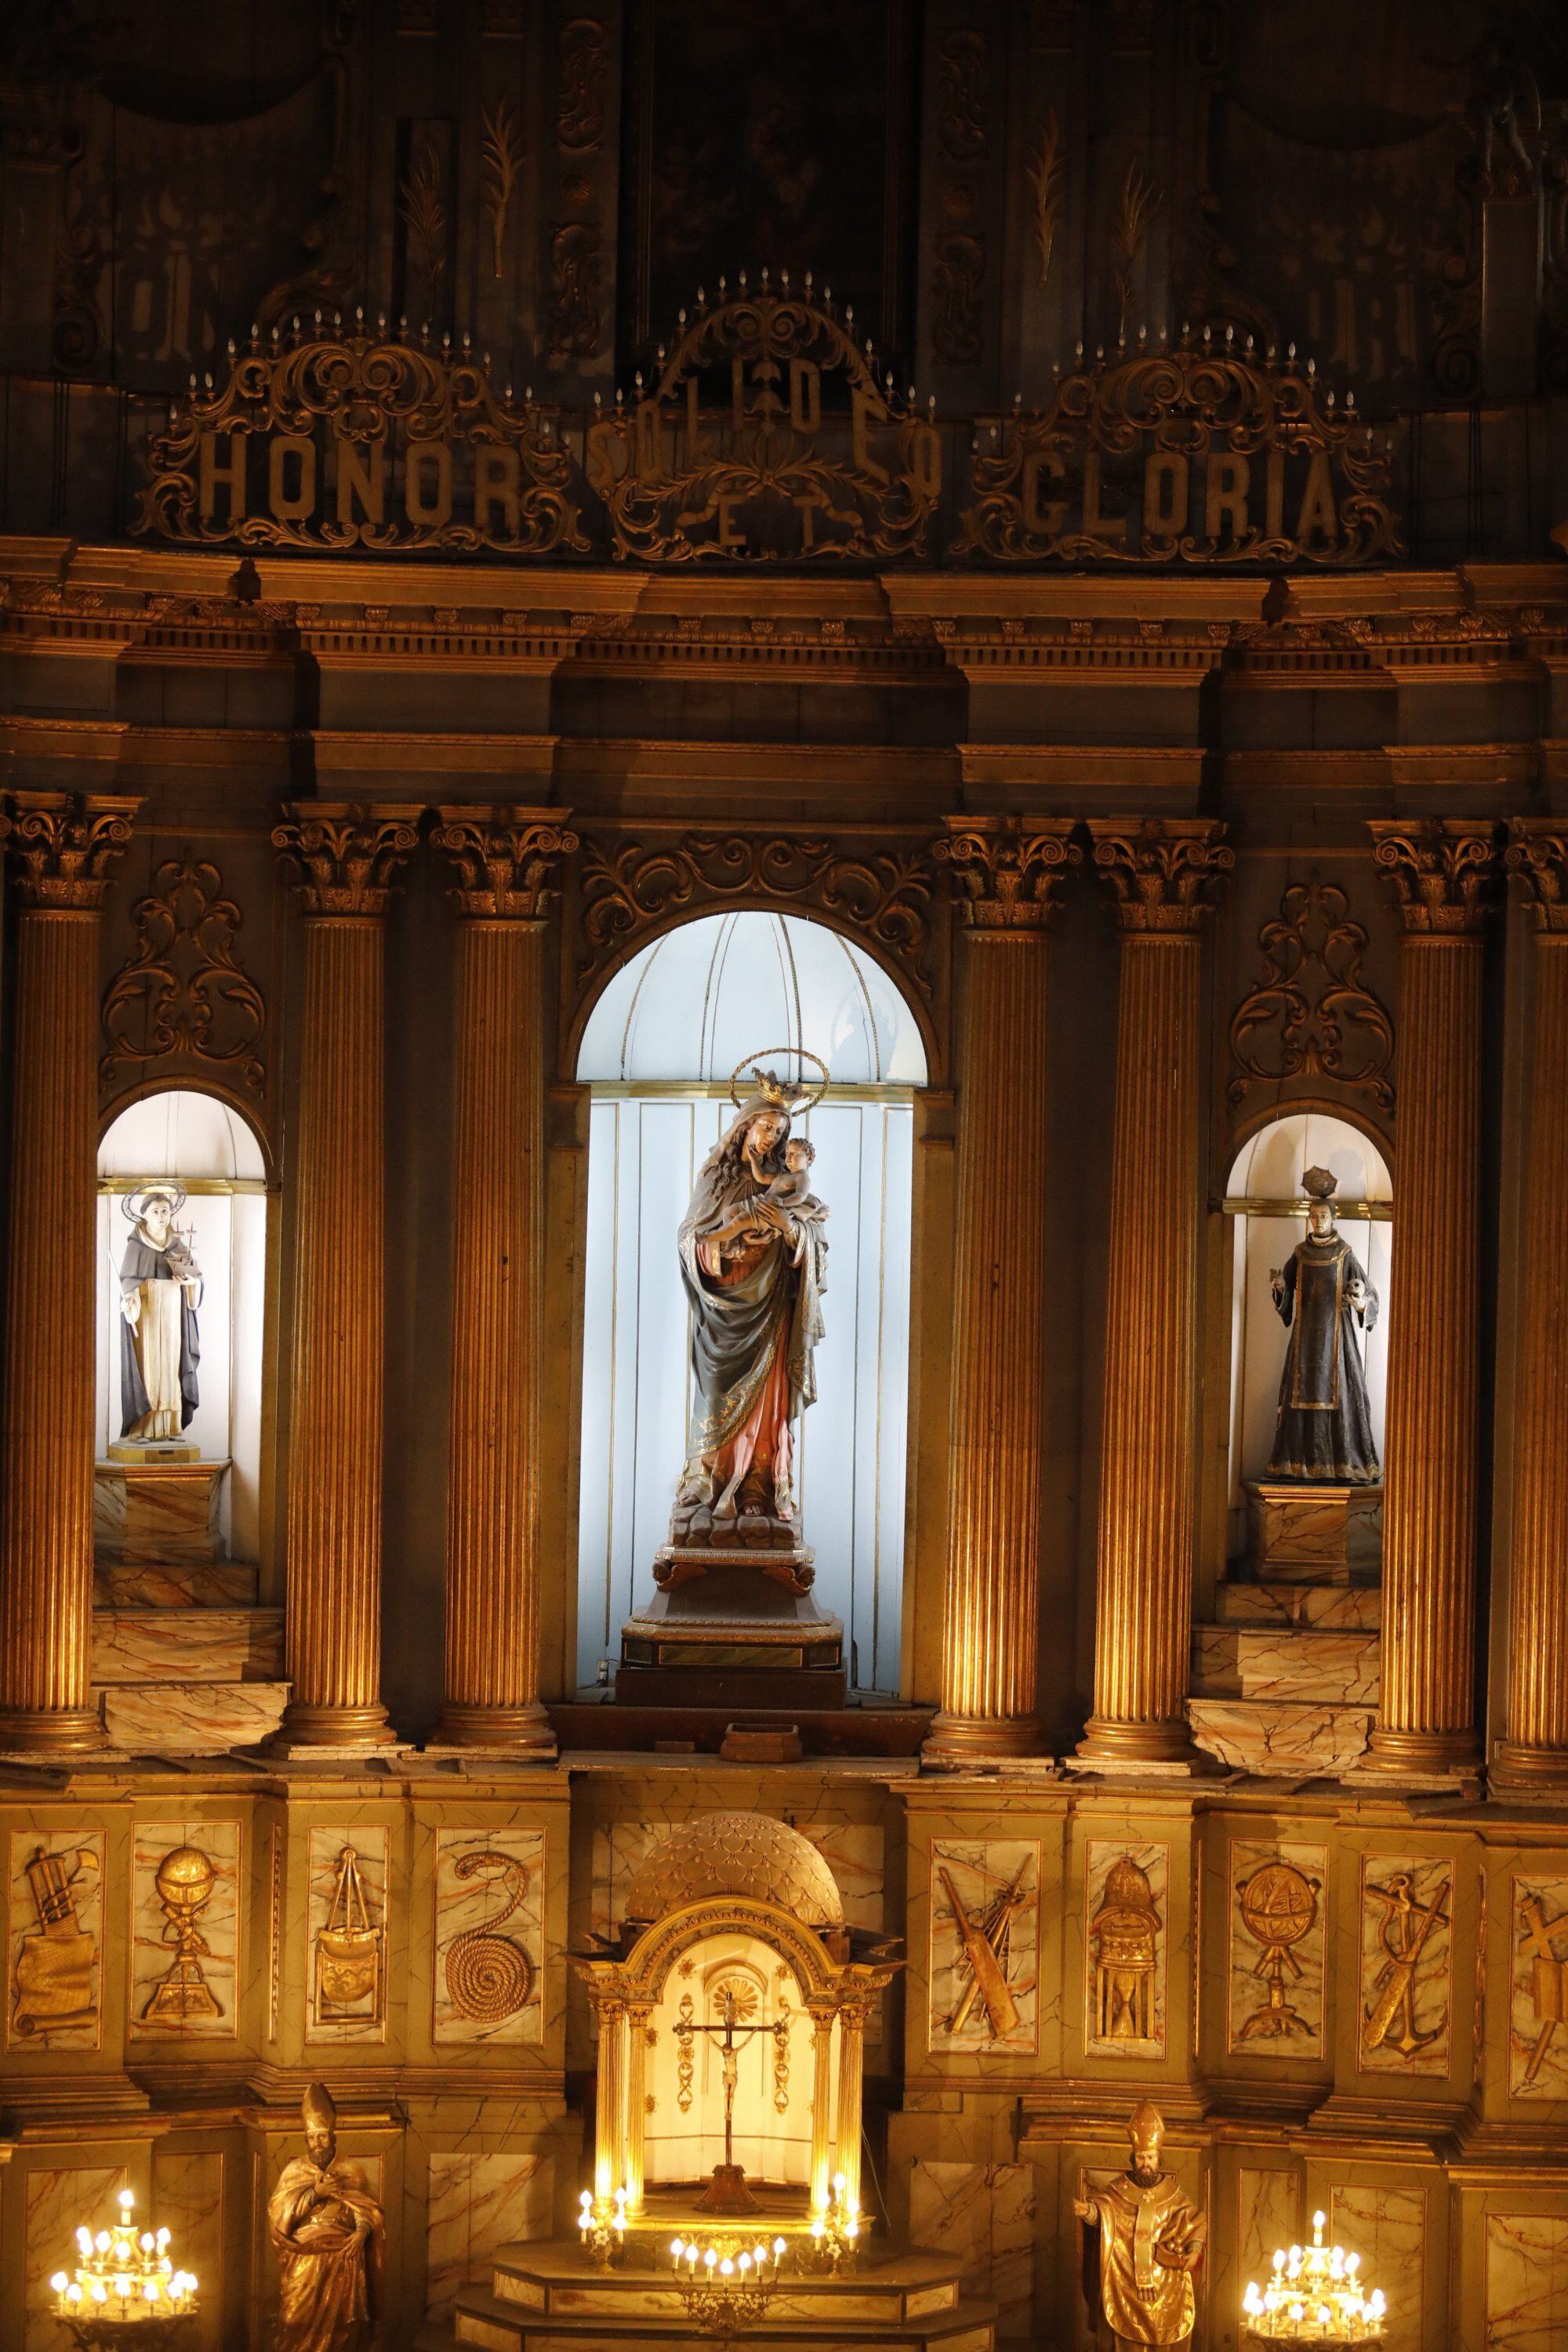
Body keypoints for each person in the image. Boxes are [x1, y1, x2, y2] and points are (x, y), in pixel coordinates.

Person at [670, 1076, 828, 1544]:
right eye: (765, 1128)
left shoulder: (786, 1183)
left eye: (779, 1134)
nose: (771, 1140)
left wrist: (794, 1233)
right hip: (723, 1310)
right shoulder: (715, 1180)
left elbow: (817, 1240)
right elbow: (687, 1239)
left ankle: (757, 1484)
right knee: (718, 1390)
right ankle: (709, 1481)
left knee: (766, 1402)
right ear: (744, 1127)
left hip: (771, 1307)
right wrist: (718, 1248)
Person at [1265, 1167, 1379, 1484]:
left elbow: (1367, 1292)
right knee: (1299, 1393)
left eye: (1323, 1217)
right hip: (1305, 1342)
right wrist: (1278, 1286)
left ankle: (1342, 1464)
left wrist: (1359, 1302)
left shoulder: (1344, 1254)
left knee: (1342, 1392)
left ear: (1333, 1218)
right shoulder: (1300, 1254)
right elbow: (1284, 1290)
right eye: (1313, 1217)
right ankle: (1299, 1463)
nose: (1318, 1222)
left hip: (1337, 1341)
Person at [1076, 2101, 1206, 2350]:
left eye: (1150, 2157)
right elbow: (1105, 2214)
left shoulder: (1174, 2195)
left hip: (1164, 2287)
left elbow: (1193, 2221)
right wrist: (1089, 2212)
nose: (1145, 2163)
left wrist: (1195, 2248)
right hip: (1125, 2284)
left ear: (1159, 2159)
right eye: (1141, 2157)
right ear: (1133, 2159)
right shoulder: (1117, 2191)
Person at [268, 2082, 383, 2352]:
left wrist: (361, 2233)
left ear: (333, 2137)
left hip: (344, 2259)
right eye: (312, 2138)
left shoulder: (351, 2170)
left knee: (343, 2329)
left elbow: (369, 2210)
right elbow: (278, 2220)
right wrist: (314, 2194)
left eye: (322, 2136)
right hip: (305, 2260)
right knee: (294, 2320)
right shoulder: (294, 2172)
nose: (317, 2143)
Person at [118, 1185, 201, 1443]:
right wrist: (130, 1301)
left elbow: (195, 1279)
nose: (162, 1216)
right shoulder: (136, 1246)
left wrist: (191, 1283)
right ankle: (142, 1426)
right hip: (149, 1313)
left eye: (165, 1211)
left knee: (170, 1365)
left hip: (173, 1313)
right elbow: (129, 1284)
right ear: (145, 1215)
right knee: (151, 1367)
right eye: (156, 1212)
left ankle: (172, 1426)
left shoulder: (176, 1245)